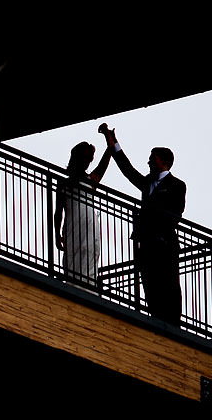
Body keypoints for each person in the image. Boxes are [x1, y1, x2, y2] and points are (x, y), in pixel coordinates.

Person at [98, 123, 185, 327]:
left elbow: (177, 213)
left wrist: (156, 220)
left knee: (169, 284)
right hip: (146, 244)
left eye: (152, 159)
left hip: (164, 244)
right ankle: (156, 318)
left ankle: (173, 323)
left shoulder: (177, 185)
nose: (148, 162)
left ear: (163, 162)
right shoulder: (147, 183)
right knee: (149, 281)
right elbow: (127, 170)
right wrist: (112, 142)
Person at [53, 141, 107, 286]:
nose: (86, 163)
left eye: (88, 159)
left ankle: (88, 290)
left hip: (89, 227)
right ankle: (76, 289)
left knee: (88, 254)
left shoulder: (90, 180)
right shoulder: (64, 183)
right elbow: (58, 212)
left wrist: (110, 145)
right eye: (83, 158)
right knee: (73, 259)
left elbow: (102, 167)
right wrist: (57, 235)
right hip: (73, 228)